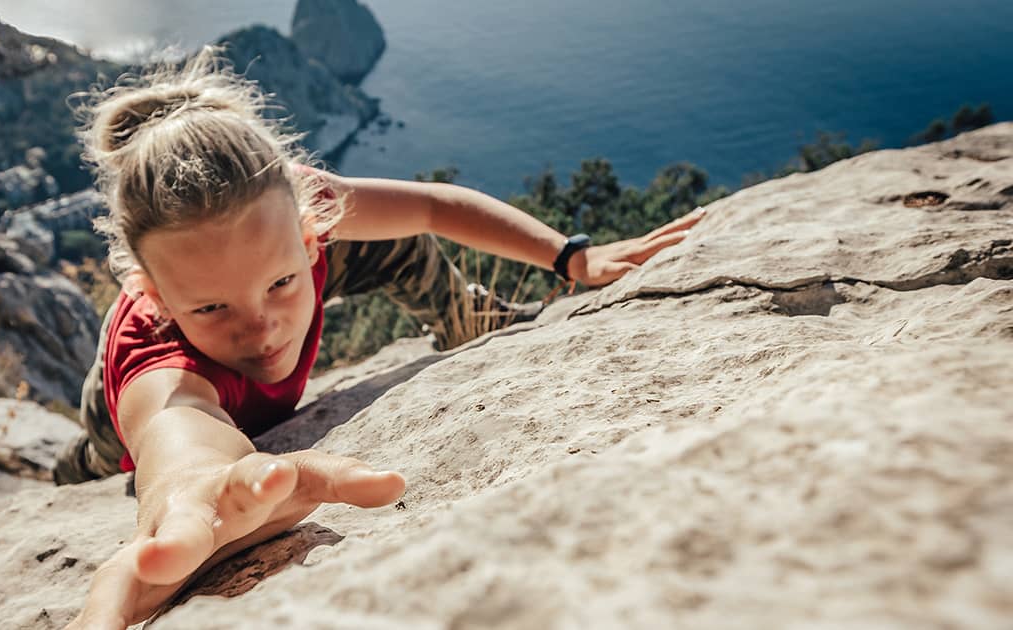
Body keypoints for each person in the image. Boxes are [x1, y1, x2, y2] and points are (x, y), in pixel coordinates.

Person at [57, 46, 705, 629]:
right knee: (105, 456)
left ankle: (471, 320)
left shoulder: (298, 205)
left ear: (309, 233)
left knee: (404, 243)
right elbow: (179, 440)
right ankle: (69, 466)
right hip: (122, 416)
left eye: (282, 282)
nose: (260, 328)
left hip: (260, 269)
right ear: (151, 292)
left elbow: (431, 207)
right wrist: (192, 494)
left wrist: (571, 258)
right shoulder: (159, 368)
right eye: (213, 306)